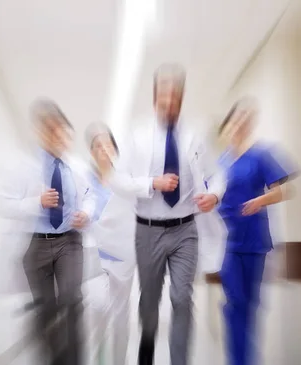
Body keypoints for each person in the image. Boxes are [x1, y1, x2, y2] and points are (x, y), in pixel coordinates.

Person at [107, 63, 226, 365]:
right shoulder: (138, 136)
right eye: (164, 95)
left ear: (181, 99)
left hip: (186, 229)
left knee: (182, 298)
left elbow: (218, 174)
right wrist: (151, 183)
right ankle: (145, 358)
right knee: (149, 302)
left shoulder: (195, 135)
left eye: (175, 96)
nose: (169, 102)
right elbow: (117, 180)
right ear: (154, 97)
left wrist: (214, 194)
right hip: (148, 230)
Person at [0, 99, 97, 365]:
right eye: (50, 130)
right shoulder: (22, 166)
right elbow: (4, 205)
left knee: (71, 300)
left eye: (61, 130)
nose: (57, 136)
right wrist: (36, 203)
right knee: (46, 310)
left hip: (69, 242)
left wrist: (85, 213)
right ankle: (55, 359)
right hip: (37, 243)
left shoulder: (76, 167)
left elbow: (90, 196)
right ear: (40, 132)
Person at [216, 98, 290, 365]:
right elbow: (209, 198)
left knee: (250, 306)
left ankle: (247, 360)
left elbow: (282, 192)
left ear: (251, 124)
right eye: (237, 118)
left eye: (247, 119)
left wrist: (259, 201)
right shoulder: (220, 163)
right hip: (227, 243)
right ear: (228, 124)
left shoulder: (261, 155)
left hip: (255, 240)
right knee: (233, 303)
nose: (240, 124)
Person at [81, 123, 137, 365]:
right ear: (91, 152)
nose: (103, 149)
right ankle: (98, 359)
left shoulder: (127, 180)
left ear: (115, 149)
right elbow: (81, 210)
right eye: (97, 145)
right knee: (97, 309)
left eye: (107, 144)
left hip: (123, 255)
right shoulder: (85, 181)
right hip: (94, 253)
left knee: (121, 315)